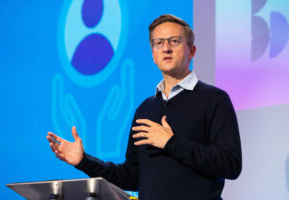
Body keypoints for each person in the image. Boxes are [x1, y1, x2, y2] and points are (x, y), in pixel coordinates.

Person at [47, 14, 242, 200]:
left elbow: (230, 164)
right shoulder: (145, 109)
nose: (166, 48)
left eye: (174, 41)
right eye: (159, 42)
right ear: (153, 55)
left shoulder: (214, 99)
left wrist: (171, 142)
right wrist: (84, 161)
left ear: (192, 51)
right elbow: (132, 176)